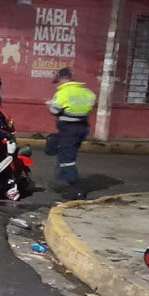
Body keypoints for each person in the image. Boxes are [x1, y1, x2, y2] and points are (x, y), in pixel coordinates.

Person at [47, 67, 96, 199]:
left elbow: (55, 111)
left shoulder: (63, 93)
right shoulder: (85, 92)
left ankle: (76, 188)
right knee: (65, 150)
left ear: (62, 78)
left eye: (58, 81)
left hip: (69, 129)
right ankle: (62, 175)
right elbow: (91, 102)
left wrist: (50, 105)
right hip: (82, 128)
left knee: (66, 159)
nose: (58, 84)